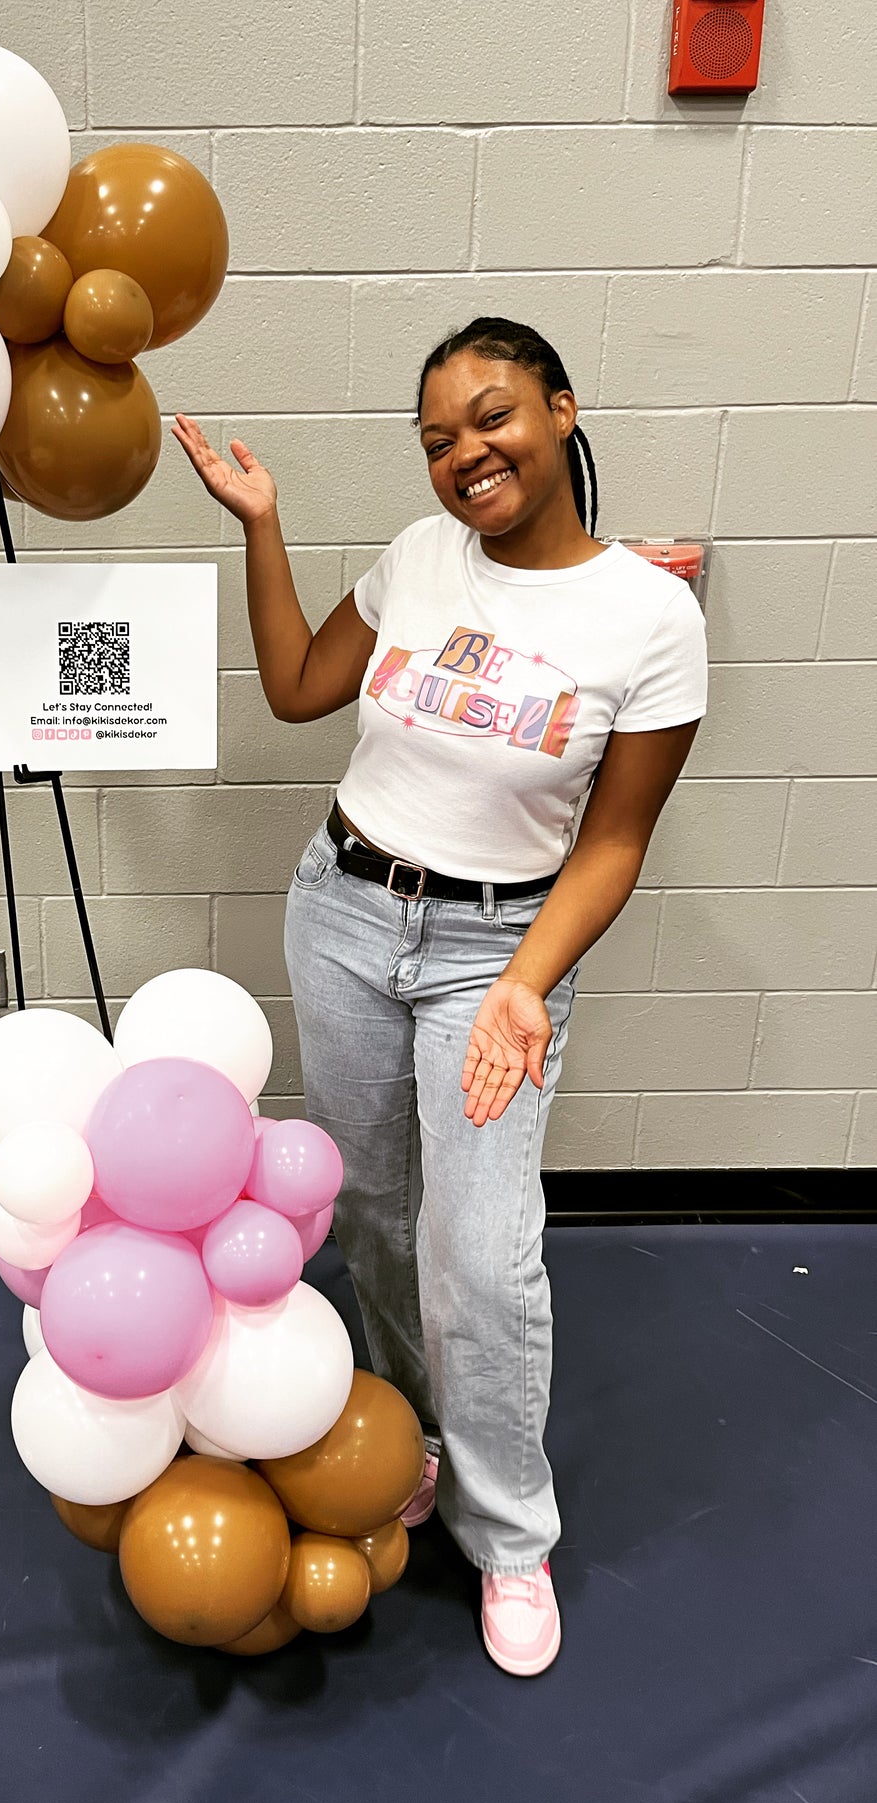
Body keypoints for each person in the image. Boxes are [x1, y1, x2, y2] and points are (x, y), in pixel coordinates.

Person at [172, 317, 708, 1676]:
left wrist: (528, 982)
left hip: (496, 953)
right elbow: (300, 687)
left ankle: (509, 1535)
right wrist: (260, 522)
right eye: (434, 439)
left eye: (490, 416)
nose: (464, 453)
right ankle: (405, 1441)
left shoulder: (649, 616)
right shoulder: (418, 561)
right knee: (370, 1210)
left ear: (560, 408)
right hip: (343, 907)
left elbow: (613, 840)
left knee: (481, 1251)